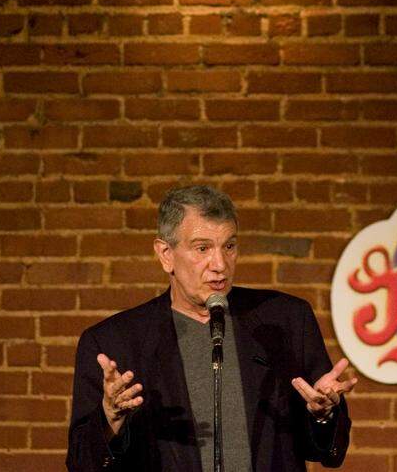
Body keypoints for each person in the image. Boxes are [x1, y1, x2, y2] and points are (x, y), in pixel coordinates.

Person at [66, 184, 355, 471]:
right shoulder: (113, 343)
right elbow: (81, 463)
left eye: (229, 246)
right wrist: (110, 417)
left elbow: (327, 451)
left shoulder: (286, 320)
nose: (220, 264)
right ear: (166, 254)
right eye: (202, 248)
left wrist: (323, 414)